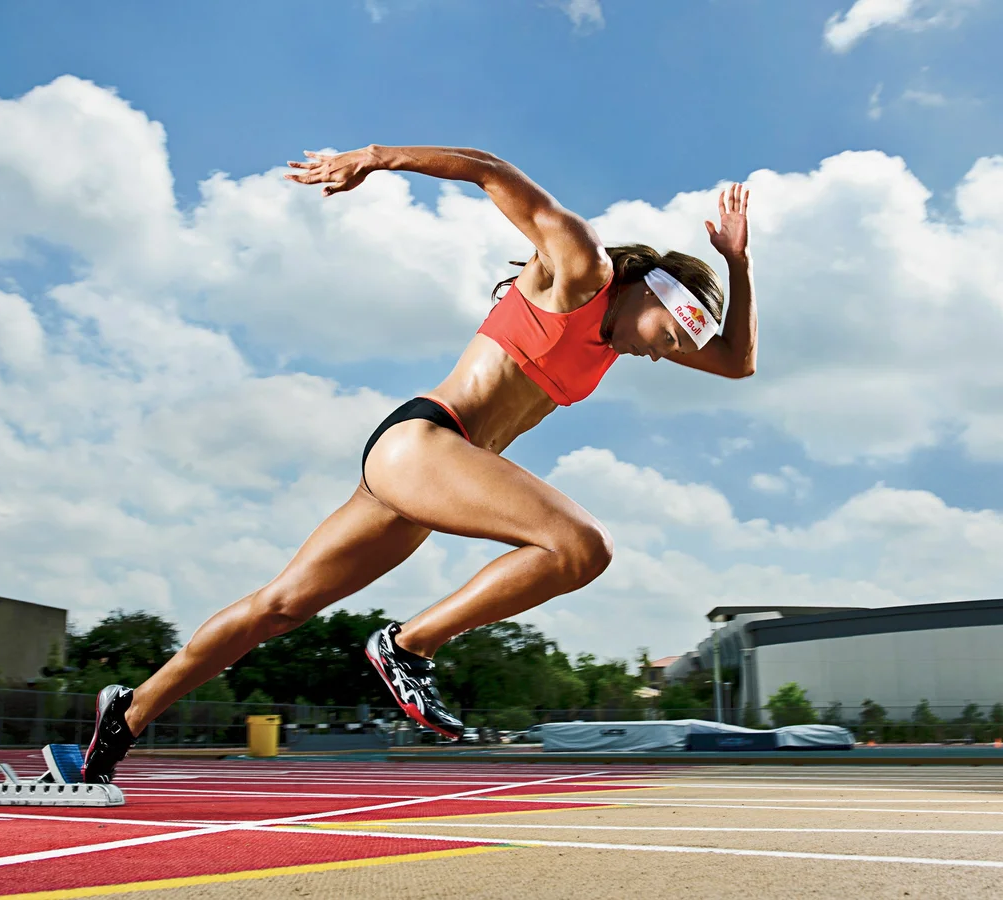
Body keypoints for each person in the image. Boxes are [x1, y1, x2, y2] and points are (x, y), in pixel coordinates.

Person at [82, 145, 756, 781]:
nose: (659, 354)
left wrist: (737, 263)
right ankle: (409, 647)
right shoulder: (582, 268)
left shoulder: (617, 339)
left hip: (426, 470)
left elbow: (736, 363)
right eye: (664, 337)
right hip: (429, 439)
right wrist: (373, 159)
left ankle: (129, 712)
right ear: (651, 293)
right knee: (582, 547)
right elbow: (491, 172)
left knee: (281, 608)